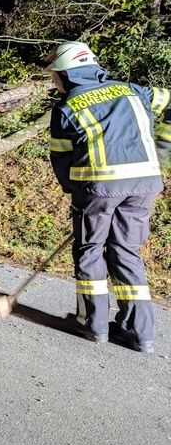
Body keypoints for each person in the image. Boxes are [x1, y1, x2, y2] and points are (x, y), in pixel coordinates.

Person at [46, 41, 170, 354]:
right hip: (144, 182)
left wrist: (74, 194)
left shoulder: (66, 107)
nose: (53, 82)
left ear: (68, 74)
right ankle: (138, 332)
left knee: (89, 249)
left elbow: (62, 161)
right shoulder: (132, 91)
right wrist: (162, 151)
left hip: (97, 188)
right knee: (126, 251)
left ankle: (94, 324)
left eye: (55, 76)